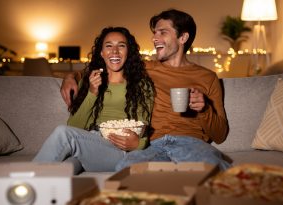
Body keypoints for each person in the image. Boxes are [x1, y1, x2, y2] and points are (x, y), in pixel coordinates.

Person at [60, 9, 231, 171]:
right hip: (153, 145)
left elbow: (220, 135)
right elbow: (104, 64)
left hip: (191, 142)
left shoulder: (207, 77)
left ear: (183, 37)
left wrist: (204, 109)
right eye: (154, 33)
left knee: (214, 169)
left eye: (162, 32)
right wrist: (70, 78)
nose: (154, 38)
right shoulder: (144, 68)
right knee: (125, 169)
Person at [33, 27, 155, 174]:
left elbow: (143, 126)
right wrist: (92, 93)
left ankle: (21, 182)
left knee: (62, 133)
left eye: (121, 45)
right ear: (101, 53)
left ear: (128, 52)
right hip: (89, 144)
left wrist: (138, 144)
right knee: (65, 168)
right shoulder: (89, 81)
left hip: (117, 150)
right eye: (109, 46)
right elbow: (74, 125)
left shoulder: (141, 85)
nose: (115, 51)